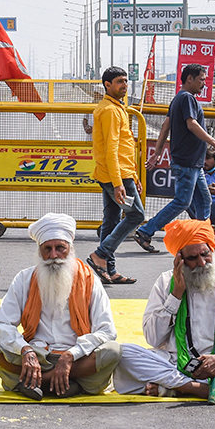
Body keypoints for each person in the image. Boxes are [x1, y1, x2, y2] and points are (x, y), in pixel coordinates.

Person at [113, 220, 215, 404]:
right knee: (123, 354)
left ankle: (173, 388)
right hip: (173, 362)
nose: (202, 262)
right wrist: (176, 295)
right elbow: (153, 338)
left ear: (212, 249)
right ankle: (200, 389)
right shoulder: (166, 283)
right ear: (179, 259)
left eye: (205, 254)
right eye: (192, 258)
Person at [0, 213, 121, 399]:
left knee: (113, 351)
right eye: (47, 249)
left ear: (70, 249)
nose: (53, 255)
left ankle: (38, 382)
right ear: (39, 251)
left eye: (60, 248)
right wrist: (25, 350)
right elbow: (1, 324)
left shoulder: (90, 281)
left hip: (78, 360)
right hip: (35, 356)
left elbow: (107, 330)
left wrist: (70, 355)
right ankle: (68, 384)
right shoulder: (25, 279)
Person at [134, 64, 215, 253]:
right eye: (201, 80)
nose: (204, 84)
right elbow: (192, 124)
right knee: (182, 202)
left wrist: (157, 152)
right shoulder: (186, 98)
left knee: (204, 201)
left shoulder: (179, 98)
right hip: (187, 162)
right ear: (190, 79)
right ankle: (145, 231)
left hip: (193, 162)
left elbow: (165, 126)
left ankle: (203, 239)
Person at [87, 66, 141, 285]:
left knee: (110, 221)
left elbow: (124, 147)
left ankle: (109, 269)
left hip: (120, 172)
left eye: (126, 81)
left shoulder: (117, 107)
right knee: (136, 215)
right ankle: (100, 255)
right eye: (120, 81)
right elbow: (111, 149)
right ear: (107, 85)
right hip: (116, 174)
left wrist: (134, 176)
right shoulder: (110, 110)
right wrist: (119, 183)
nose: (124, 85)